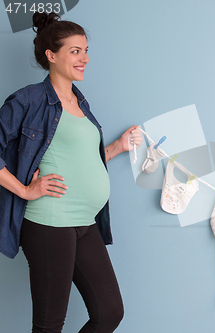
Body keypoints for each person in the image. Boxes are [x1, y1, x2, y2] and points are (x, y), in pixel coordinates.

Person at [0, 12, 143, 333]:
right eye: (75, 51)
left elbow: (76, 159)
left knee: (109, 313)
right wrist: (23, 190)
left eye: (86, 50)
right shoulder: (29, 100)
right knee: (50, 325)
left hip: (85, 223)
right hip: (50, 222)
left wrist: (116, 148)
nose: (85, 59)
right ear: (51, 56)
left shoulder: (80, 103)